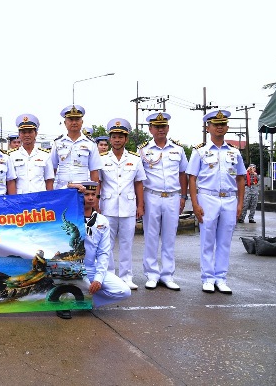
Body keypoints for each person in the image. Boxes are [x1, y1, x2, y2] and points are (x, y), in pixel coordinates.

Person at [187, 110, 245, 294]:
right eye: (215, 124)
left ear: (227, 127)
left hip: (229, 198)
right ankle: (207, 278)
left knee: (225, 241)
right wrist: (195, 204)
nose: (219, 127)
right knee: (207, 240)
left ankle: (221, 278)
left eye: (223, 124)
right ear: (208, 128)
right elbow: (192, 178)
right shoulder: (200, 151)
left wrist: (240, 204)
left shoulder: (235, 152)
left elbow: (241, 178)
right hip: (208, 197)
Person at [59, 181, 131, 317]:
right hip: (70, 268)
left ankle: (85, 300)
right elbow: (55, 198)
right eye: (86, 194)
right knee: (59, 287)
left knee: (124, 291)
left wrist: (98, 279)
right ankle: (64, 303)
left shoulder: (102, 221)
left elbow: (104, 253)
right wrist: (70, 187)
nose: (91, 198)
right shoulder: (71, 217)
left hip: (90, 268)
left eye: (94, 194)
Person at [138, 112, 188, 291]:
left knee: (169, 237)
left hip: (173, 197)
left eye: (163, 126)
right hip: (151, 195)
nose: (160, 130)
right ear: (150, 129)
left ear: (168, 128)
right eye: (157, 127)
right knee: (151, 236)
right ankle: (152, 274)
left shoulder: (178, 149)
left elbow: (183, 174)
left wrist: (183, 196)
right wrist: (140, 202)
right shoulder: (143, 150)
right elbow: (138, 177)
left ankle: (167, 275)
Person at [98, 118, 146, 290]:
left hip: (128, 206)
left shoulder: (135, 158)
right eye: (114, 137)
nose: (117, 140)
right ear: (110, 139)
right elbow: (99, 182)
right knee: (107, 245)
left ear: (126, 139)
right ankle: (109, 276)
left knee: (127, 243)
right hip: (108, 207)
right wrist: (97, 203)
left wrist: (140, 205)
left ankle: (126, 277)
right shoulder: (101, 158)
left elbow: (139, 183)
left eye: (120, 137)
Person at [50, 105, 103, 190]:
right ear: (65, 123)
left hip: (83, 190)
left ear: (82, 122)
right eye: (71, 119)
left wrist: (95, 196)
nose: (74, 122)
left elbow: (94, 173)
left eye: (77, 119)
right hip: (62, 189)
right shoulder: (57, 143)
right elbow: (52, 170)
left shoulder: (90, 144)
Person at [9, 114, 54, 193]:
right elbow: (11, 181)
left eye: (30, 132)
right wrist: (14, 199)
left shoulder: (45, 155)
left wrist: (48, 198)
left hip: (39, 197)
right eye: (23, 132)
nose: (27, 135)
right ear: (19, 134)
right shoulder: (12, 156)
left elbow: (49, 180)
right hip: (21, 197)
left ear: (36, 133)